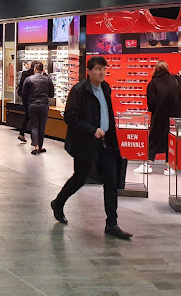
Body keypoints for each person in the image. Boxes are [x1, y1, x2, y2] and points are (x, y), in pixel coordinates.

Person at [51, 56, 132, 240]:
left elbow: (108, 115)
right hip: (86, 144)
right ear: (89, 71)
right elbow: (70, 118)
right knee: (80, 178)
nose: (102, 72)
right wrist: (91, 129)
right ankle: (58, 203)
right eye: (98, 69)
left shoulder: (105, 88)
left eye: (104, 69)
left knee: (111, 181)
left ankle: (112, 223)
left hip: (106, 143)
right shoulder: (79, 91)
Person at [135, 61, 181, 175]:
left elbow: (151, 105)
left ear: (155, 69)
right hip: (174, 118)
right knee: (170, 141)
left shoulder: (153, 83)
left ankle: (148, 164)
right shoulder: (175, 79)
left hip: (159, 118)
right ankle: (168, 166)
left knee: (154, 140)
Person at [21, 62, 55, 155]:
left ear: (35, 69)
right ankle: (40, 146)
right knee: (42, 126)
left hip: (32, 104)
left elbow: (24, 93)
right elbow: (52, 94)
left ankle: (35, 146)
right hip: (44, 105)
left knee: (34, 125)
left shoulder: (29, 79)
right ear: (42, 70)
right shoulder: (47, 80)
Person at [16, 61, 40, 143]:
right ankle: (34, 139)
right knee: (34, 118)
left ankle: (22, 133)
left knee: (27, 116)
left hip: (25, 98)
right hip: (33, 98)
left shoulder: (24, 73)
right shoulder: (35, 76)